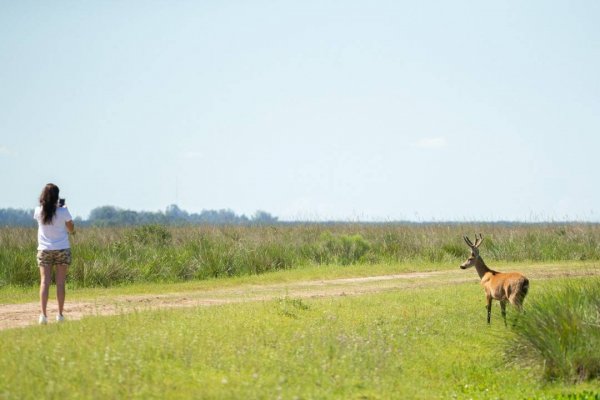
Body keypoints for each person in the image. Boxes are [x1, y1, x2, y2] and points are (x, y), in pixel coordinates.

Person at [33, 183, 75, 325]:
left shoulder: (38, 211)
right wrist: (64, 208)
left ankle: (43, 316)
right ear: (57, 196)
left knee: (44, 282)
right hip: (62, 248)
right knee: (60, 283)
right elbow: (71, 228)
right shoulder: (63, 211)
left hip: (44, 249)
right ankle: (60, 315)